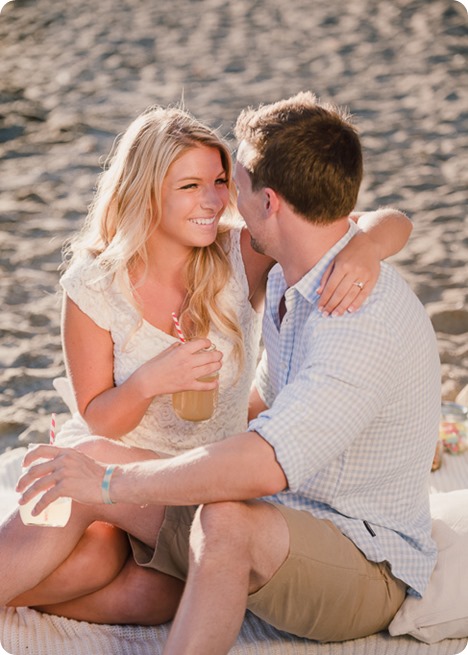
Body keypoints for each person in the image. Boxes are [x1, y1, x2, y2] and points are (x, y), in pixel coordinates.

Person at [4, 100, 412, 629]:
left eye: (220, 180)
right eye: (190, 186)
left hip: (199, 486)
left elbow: (388, 221)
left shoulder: (240, 252)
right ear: (146, 193)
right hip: (115, 470)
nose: (214, 200)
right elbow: (99, 416)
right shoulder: (93, 285)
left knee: (160, 599)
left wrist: (367, 247)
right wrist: (151, 381)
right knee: (96, 554)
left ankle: (25, 590)